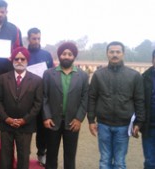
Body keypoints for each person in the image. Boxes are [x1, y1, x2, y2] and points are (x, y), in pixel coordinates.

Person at [87, 41, 145, 169]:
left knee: (119, 162)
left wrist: (139, 123)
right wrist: (91, 120)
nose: (115, 54)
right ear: (107, 54)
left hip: (124, 126)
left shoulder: (134, 76)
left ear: (123, 54)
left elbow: (139, 100)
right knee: (104, 160)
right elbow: (91, 98)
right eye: (111, 52)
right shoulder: (98, 75)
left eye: (118, 52)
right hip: (103, 125)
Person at [0, 47, 43, 169]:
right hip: (6, 125)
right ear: (12, 60)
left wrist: (24, 120)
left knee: (23, 157)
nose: (20, 61)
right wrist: (7, 119)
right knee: (5, 158)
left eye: (23, 59)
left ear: (27, 60)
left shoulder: (37, 80)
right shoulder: (3, 78)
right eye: (17, 59)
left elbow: (37, 104)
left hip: (26, 126)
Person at [43, 42, 89, 169]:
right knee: (51, 155)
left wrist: (79, 119)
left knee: (70, 156)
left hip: (72, 122)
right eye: (64, 54)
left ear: (74, 56)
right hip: (52, 121)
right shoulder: (48, 74)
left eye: (70, 54)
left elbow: (85, 99)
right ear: (59, 56)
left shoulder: (83, 76)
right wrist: (46, 117)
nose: (67, 56)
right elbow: (44, 97)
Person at [26, 27, 53, 166]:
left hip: (42, 97)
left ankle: (41, 153)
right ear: (28, 39)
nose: (36, 41)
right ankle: (24, 153)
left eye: (38, 38)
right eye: (33, 38)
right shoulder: (23, 54)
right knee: (25, 127)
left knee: (43, 129)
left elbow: (52, 74)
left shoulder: (47, 55)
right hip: (26, 98)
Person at [141, 49, 155, 169]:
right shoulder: (144, 77)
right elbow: (139, 101)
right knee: (150, 161)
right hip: (149, 126)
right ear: (152, 59)